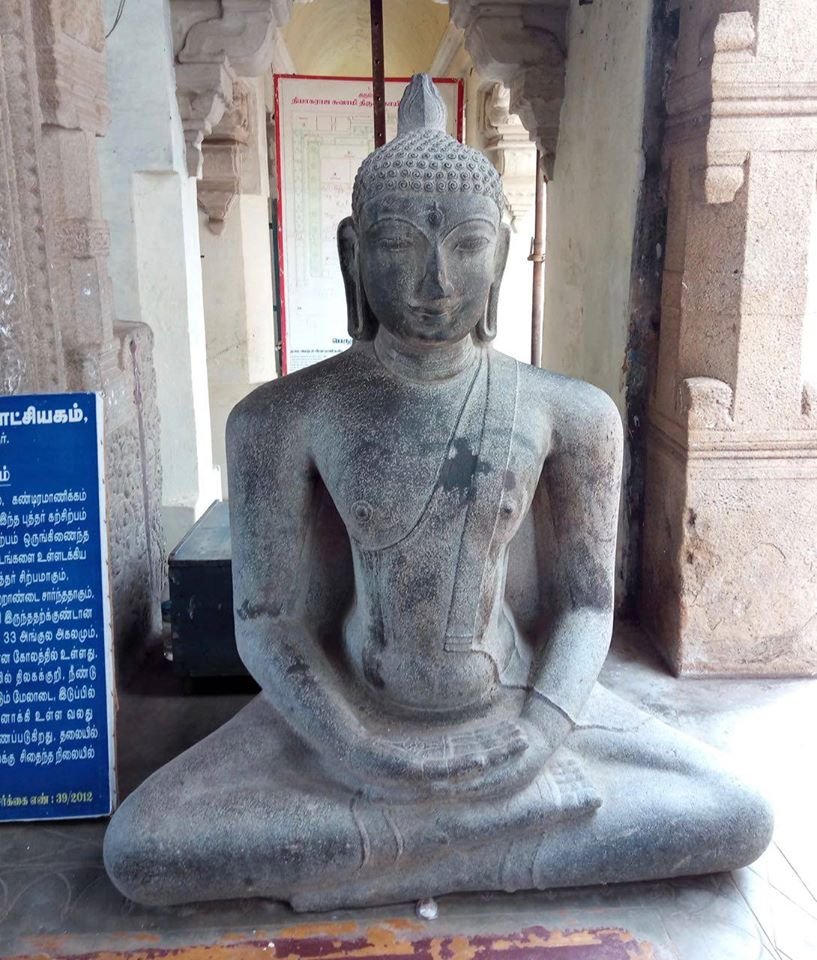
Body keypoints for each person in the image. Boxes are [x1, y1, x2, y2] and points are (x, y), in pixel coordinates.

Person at [104, 75, 772, 910]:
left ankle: (390, 854)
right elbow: (267, 624)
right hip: (347, 718)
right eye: (397, 243)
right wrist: (356, 749)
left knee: (735, 815)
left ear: (503, 247)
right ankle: (488, 842)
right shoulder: (283, 417)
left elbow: (585, 608)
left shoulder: (569, 413)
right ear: (352, 253)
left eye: (465, 244)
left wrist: (539, 733)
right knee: (144, 848)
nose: (435, 279)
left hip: (514, 710)